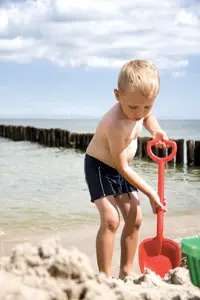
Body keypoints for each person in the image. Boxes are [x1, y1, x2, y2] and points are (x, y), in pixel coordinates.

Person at [84, 59, 168, 279]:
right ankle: (104, 276)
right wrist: (151, 192)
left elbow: (148, 117)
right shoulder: (115, 123)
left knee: (135, 217)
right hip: (101, 167)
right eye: (133, 107)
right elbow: (120, 166)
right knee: (111, 219)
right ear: (117, 95)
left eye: (147, 105)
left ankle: (126, 272)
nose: (139, 113)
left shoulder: (140, 108)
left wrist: (156, 131)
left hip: (123, 168)